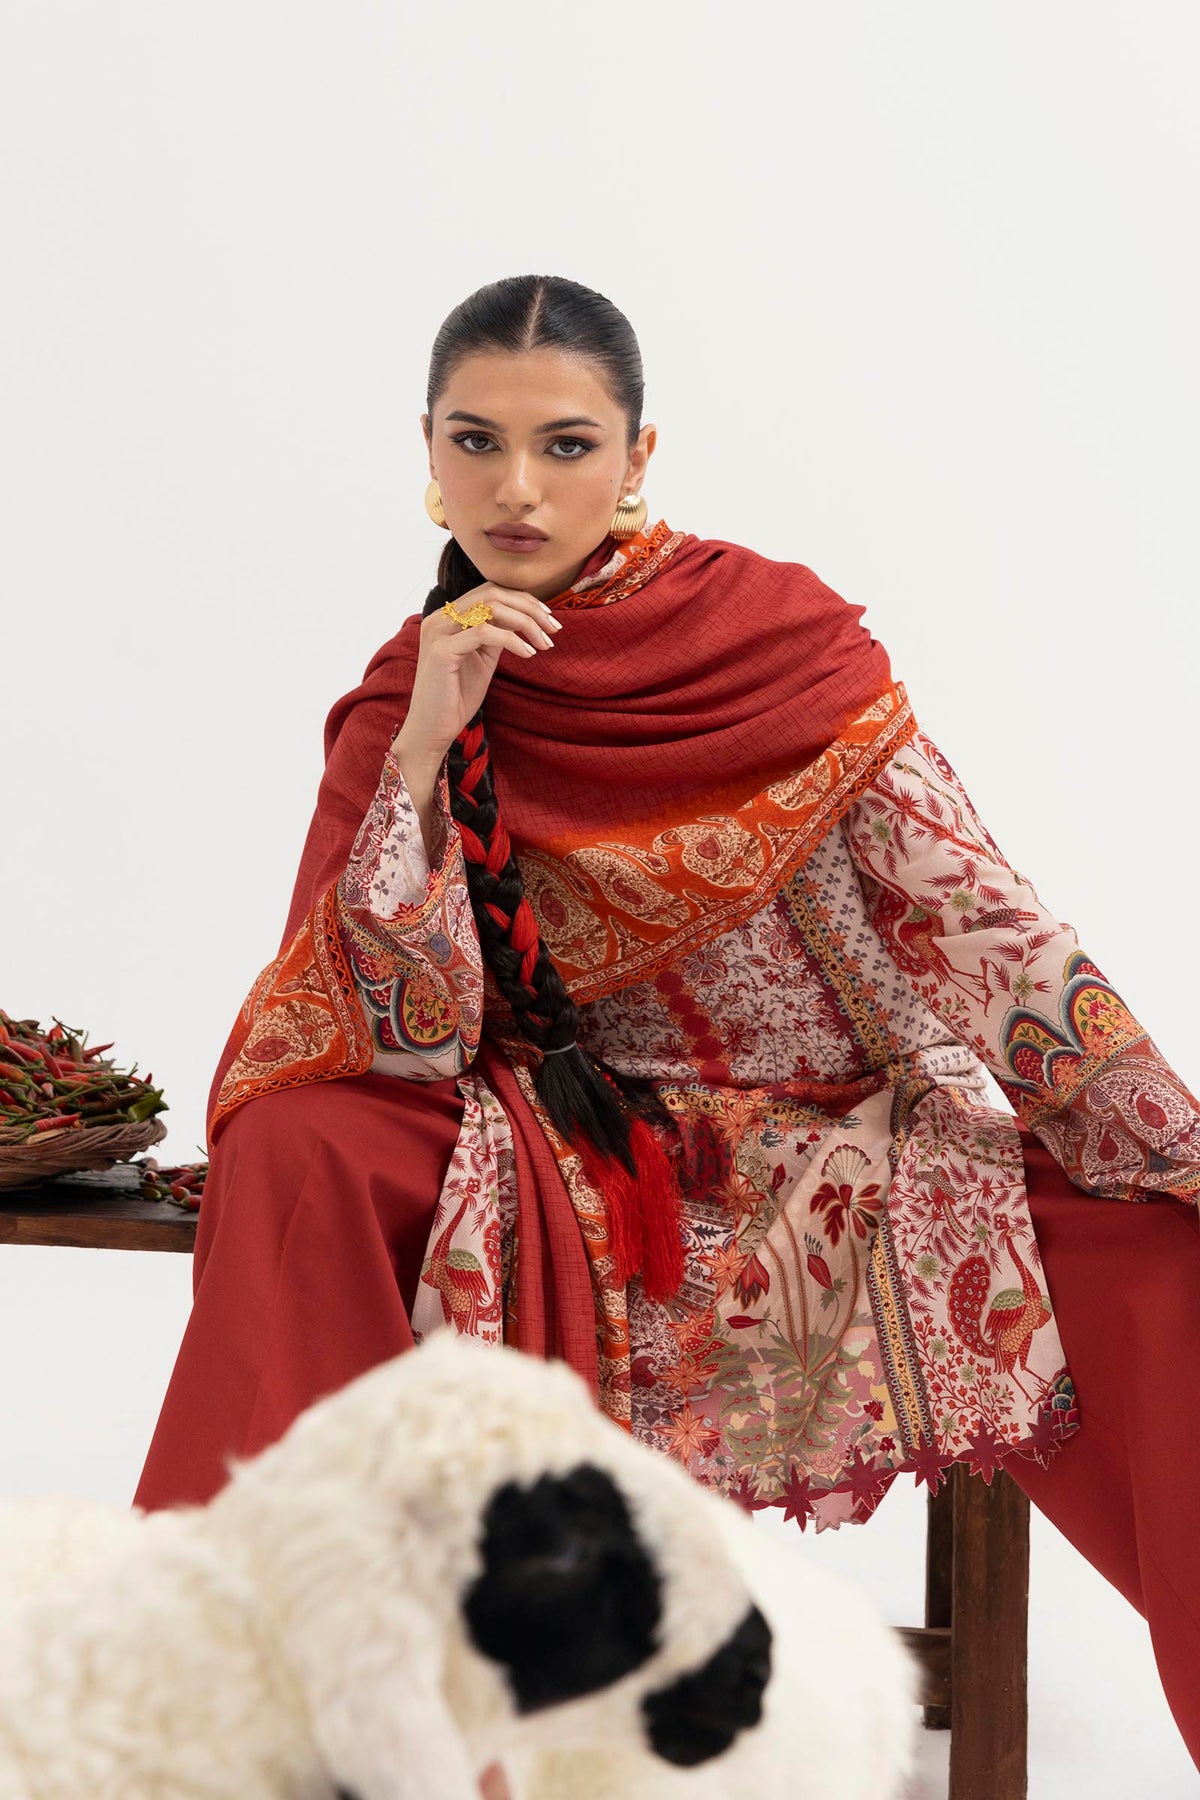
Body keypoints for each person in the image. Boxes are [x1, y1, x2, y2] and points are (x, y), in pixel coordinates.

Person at [134, 274, 1200, 1770]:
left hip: (833, 1144)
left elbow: (973, 917)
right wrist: (430, 744)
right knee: (300, 1141)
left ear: (639, 457)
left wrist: (1163, 1133)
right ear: (427, 452)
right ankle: (252, 1720)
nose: (517, 488)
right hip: (560, 1158)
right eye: (477, 441)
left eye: (566, 444)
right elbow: (384, 1032)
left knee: (1157, 1251)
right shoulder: (407, 697)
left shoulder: (771, 644)